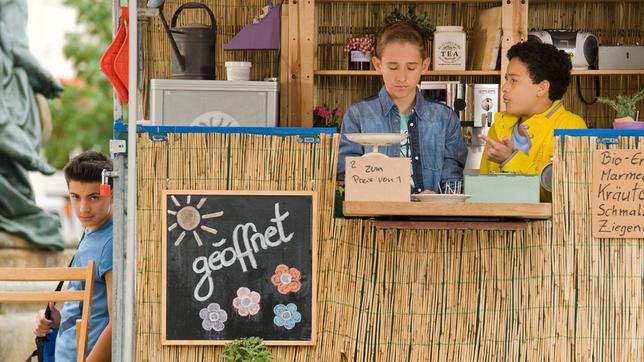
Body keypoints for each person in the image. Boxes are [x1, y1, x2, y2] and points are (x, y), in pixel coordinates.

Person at [338, 21, 467, 194]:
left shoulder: (446, 118)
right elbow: (346, 175)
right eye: (393, 67)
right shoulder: (357, 115)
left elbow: (453, 181)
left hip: (431, 218)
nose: (401, 77)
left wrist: (438, 199)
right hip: (373, 219)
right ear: (377, 65)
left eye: (411, 67)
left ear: (424, 66)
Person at [34, 151, 113, 361]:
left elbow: (119, 321)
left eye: (94, 197)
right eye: (75, 197)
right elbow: (89, 309)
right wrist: (57, 321)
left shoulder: (110, 242)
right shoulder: (90, 232)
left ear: (112, 192)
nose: (83, 208)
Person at [479, 41, 587, 175]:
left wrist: (510, 159)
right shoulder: (499, 126)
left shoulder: (571, 127)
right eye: (507, 79)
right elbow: (483, 186)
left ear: (542, 88)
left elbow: (563, 192)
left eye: (514, 80)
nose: (504, 88)